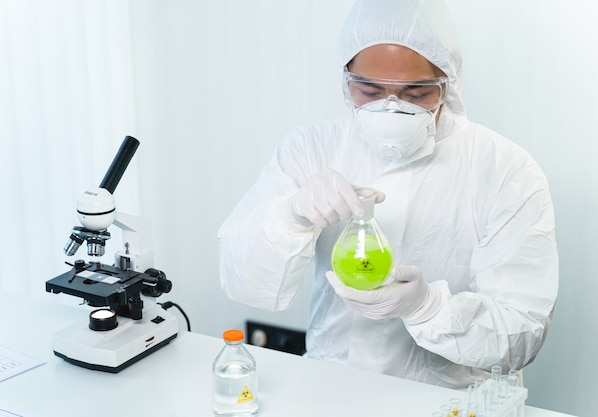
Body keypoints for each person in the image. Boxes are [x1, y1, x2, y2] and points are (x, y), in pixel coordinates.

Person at [217, 0, 558, 389]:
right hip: (330, 386)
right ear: (347, 81)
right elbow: (244, 282)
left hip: (451, 399)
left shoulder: (506, 171)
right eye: (370, 90)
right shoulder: (311, 149)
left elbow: (523, 333)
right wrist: (289, 217)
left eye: (416, 93)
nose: (392, 108)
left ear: (449, 83)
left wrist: (429, 308)